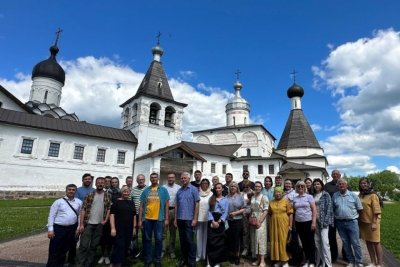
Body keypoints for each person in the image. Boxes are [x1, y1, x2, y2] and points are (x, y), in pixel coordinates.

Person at [77, 177, 112, 267]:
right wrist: (81, 224)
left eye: (102, 183)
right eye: (98, 182)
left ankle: (89, 263)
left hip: (100, 224)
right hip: (88, 223)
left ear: (104, 184)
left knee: (94, 246)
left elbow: (108, 209)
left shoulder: (108, 195)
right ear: (95, 184)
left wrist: (105, 220)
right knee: (84, 245)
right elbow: (83, 209)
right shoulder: (90, 194)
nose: (100, 184)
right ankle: (80, 264)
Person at [46, 184, 82, 267]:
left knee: (64, 250)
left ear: (75, 191)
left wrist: (78, 227)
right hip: (59, 228)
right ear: (66, 191)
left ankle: (60, 264)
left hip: (71, 228)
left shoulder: (79, 202)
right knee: (54, 249)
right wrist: (50, 229)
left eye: (73, 190)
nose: (71, 191)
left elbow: (80, 215)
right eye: (69, 189)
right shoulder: (58, 202)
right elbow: (51, 216)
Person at [138, 172, 170, 267]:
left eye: (155, 177)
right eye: (152, 177)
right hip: (147, 219)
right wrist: (140, 220)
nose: (154, 179)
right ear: (150, 179)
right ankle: (147, 259)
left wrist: (166, 218)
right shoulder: (146, 190)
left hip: (159, 219)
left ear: (158, 178)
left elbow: (166, 206)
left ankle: (157, 260)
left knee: (159, 240)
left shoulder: (163, 190)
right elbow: (141, 206)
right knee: (147, 239)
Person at [332, 178, 363, 267]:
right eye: (339, 184)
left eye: (343, 184)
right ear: (337, 186)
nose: (341, 185)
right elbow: (333, 208)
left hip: (352, 222)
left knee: (355, 243)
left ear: (347, 185)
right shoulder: (335, 195)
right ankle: (351, 261)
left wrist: (358, 222)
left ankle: (359, 262)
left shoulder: (353, 195)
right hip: (340, 223)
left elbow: (360, 209)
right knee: (345, 243)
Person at [175, 172, 200, 267]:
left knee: (189, 241)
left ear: (189, 179)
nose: (183, 180)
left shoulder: (193, 189)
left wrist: (195, 218)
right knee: (182, 240)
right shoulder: (179, 191)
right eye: (182, 178)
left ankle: (191, 261)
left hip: (189, 219)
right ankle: (184, 259)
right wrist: (175, 219)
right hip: (180, 218)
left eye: (185, 178)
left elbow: (197, 204)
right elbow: (177, 204)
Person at [109, 185, 136, 267]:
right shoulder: (116, 202)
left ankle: (120, 262)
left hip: (129, 228)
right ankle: (113, 263)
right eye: (124, 191)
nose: (126, 193)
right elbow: (112, 215)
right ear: (121, 192)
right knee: (118, 246)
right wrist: (113, 228)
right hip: (118, 228)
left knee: (126, 245)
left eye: (127, 192)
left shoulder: (131, 202)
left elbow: (134, 215)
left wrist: (134, 228)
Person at [358, 177, 383, 267]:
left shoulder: (373, 195)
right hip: (363, 222)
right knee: (368, 242)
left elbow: (377, 210)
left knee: (376, 243)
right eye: (361, 183)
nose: (363, 185)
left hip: (372, 222)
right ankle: (372, 262)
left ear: (368, 184)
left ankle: (379, 264)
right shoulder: (360, 195)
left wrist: (374, 223)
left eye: (365, 183)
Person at [293, 180, 317, 267]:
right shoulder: (295, 198)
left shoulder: (309, 197)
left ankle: (312, 261)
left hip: (308, 222)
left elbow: (314, 210)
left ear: (304, 188)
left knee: (310, 242)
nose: (300, 188)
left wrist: (313, 222)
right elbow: (294, 211)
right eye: (298, 186)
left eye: (302, 186)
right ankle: (307, 260)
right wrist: (294, 224)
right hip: (298, 223)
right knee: (303, 242)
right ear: (296, 188)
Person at [268, 187, 293, 267]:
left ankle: (285, 261)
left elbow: (290, 213)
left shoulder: (286, 201)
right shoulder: (271, 202)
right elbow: (269, 213)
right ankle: (278, 260)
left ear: (282, 193)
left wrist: (290, 225)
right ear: (274, 193)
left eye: (279, 192)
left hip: (284, 223)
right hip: (274, 224)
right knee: (275, 241)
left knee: (283, 241)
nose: (278, 194)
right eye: (276, 192)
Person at [98, 177, 121, 265]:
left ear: (117, 183)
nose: (114, 183)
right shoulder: (106, 192)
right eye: (112, 182)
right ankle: (103, 254)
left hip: (116, 217)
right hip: (105, 217)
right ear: (110, 183)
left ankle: (108, 255)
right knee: (103, 237)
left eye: (116, 182)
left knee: (112, 238)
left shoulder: (120, 193)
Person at [312, 178, 333, 267]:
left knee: (325, 242)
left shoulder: (325, 194)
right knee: (317, 242)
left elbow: (329, 208)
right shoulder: (313, 195)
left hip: (323, 222)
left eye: (318, 184)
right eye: (315, 184)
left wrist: (326, 221)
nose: (316, 186)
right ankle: (321, 262)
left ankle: (328, 264)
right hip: (315, 222)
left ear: (321, 185)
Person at [207, 182, 229, 267]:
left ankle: (217, 262)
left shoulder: (225, 200)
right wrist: (212, 221)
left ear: (222, 189)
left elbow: (226, 212)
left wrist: (219, 221)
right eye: (216, 188)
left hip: (221, 221)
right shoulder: (211, 198)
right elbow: (208, 211)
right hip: (212, 219)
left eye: (219, 188)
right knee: (210, 242)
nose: (217, 189)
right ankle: (209, 262)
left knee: (219, 243)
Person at [226, 181, 246, 265]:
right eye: (231, 186)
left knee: (237, 239)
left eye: (234, 186)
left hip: (238, 220)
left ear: (237, 188)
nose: (233, 188)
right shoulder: (226, 197)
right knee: (229, 238)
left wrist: (235, 213)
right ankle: (231, 255)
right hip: (228, 221)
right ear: (229, 188)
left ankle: (237, 256)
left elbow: (244, 208)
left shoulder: (240, 196)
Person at [324, 169, 341, 262]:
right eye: (333, 174)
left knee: (345, 237)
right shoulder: (327, 186)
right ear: (331, 175)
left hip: (342, 215)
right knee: (332, 237)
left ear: (340, 175)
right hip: (331, 215)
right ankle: (333, 256)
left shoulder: (344, 184)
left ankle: (347, 256)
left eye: (337, 174)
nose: (335, 175)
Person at [249, 181, 268, 267]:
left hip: (261, 219)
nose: (257, 188)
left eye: (259, 186)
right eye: (256, 186)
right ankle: (258, 259)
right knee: (254, 239)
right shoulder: (252, 197)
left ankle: (263, 261)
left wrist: (260, 221)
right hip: (253, 219)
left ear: (261, 188)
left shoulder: (264, 197)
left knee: (261, 239)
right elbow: (251, 208)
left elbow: (266, 210)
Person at [162, 172, 181, 259]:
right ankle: (162, 250)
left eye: (172, 177)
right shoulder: (163, 187)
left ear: (175, 178)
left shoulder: (178, 188)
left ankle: (172, 251)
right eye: (169, 177)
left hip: (174, 211)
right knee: (164, 232)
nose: (170, 179)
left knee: (173, 233)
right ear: (167, 178)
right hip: (164, 211)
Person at [131, 174, 147, 257]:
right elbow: (130, 202)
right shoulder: (133, 190)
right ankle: (134, 251)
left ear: (144, 180)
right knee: (134, 234)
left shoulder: (148, 189)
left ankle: (144, 251)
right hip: (135, 215)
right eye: (139, 179)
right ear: (137, 181)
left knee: (145, 234)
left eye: (142, 179)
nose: (141, 181)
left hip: (145, 216)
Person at [196, 178, 212, 262]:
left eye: (206, 183)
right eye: (203, 183)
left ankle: (204, 255)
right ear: (201, 185)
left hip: (208, 218)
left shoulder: (212, 194)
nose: (204, 184)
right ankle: (198, 255)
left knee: (206, 237)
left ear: (208, 185)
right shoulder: (197, 193)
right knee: (199, 237)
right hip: (199, 218)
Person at [241, 180, 253, 257]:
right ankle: (246, 248)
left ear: (250, 186)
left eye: (247, 187)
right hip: (244, 214)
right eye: (244, 187)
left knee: (252, 232)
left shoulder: (253, 193)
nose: (246, 188)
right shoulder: (241, 194)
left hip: (252, 214)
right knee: (245, 232)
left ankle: (252, 249)